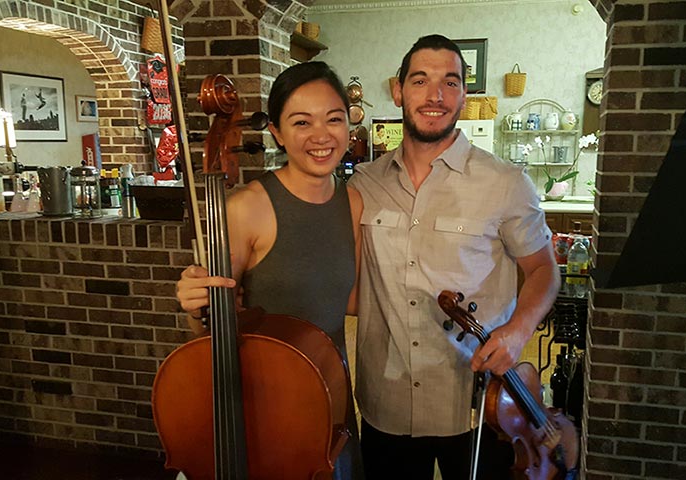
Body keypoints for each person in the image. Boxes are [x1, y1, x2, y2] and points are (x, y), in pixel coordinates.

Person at [348, 34, 561, 479]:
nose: (435, 95)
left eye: (450, 82)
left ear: (464, 94)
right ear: (398, 89)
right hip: (387, 402)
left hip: (474, 405)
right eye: (420, 80)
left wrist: (517, 332)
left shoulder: (506, 182)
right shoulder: (363, 183)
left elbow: (543, 270)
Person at [175, 61, 364, 480]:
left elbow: (349, 302)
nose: (321, 136)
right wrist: (194, 307)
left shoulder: (353, 203)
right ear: (276, 132)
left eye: (334, 119)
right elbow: (211, 328)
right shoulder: (246, 207)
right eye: (301, 122)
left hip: (330, 400)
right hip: (263, 408)